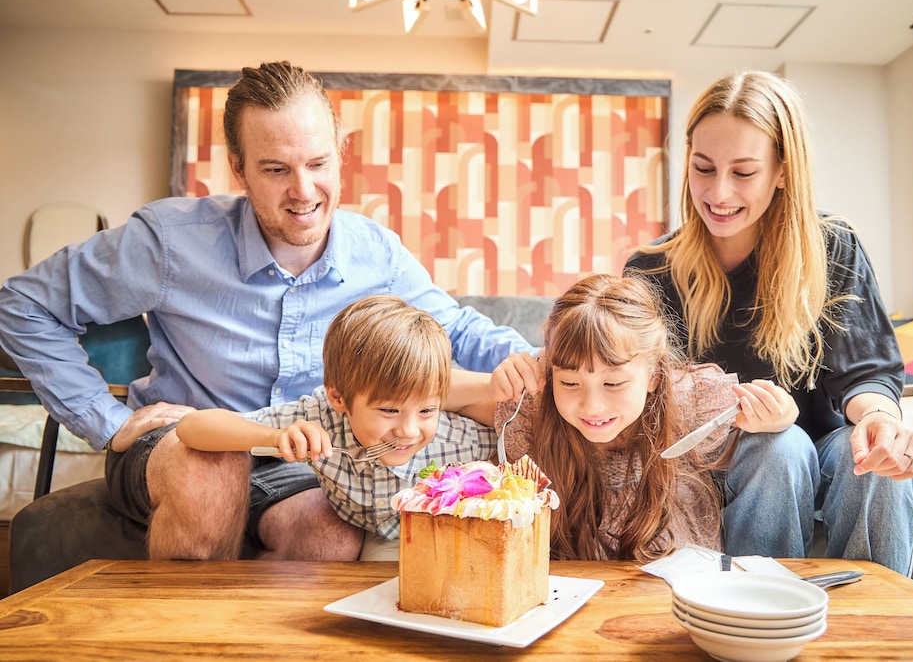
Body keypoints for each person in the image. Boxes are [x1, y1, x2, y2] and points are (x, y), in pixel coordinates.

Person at [0, 61, 533, 563]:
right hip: (185, 445)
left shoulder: (379, 254)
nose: (303, 192)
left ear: (339, 155)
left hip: (297, 464)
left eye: (318, 164)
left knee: (329, 535)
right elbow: (23, 303)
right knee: (212, 475)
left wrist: (564, 369)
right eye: (276, 169)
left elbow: (459, 331)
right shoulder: (169, 242)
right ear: (239, 168)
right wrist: (105, 419)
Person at [624, 69, 913, 576]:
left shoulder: (833, 246)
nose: (718, 193)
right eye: (703, 168)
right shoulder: (651, 269)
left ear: (783, 170)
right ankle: (752, 618)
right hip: (714, 461)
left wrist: (880, 419)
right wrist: (736, 424)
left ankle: (879, 635)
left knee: (874, 468)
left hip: (827, 449)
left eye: (743, 173)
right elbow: (642, 397)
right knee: (776, 448)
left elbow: (866, 372)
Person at [482, 273, 798, 561]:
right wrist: (503, 381)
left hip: (682, 579)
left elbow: (781, 414)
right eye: (570, 383)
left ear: (654, 377)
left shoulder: (693, 397)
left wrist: (779, 411)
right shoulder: (531, 407)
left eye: (613, 383)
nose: (592, 406)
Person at [167, 296, 496, 548]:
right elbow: (192, 428)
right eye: (389, 411)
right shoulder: (320, 417)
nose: (409, 431)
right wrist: (276, 436)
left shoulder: (462, 439)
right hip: (375, 540)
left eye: (427, 411)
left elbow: (522, 429)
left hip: (444, 537)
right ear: (339, 398)